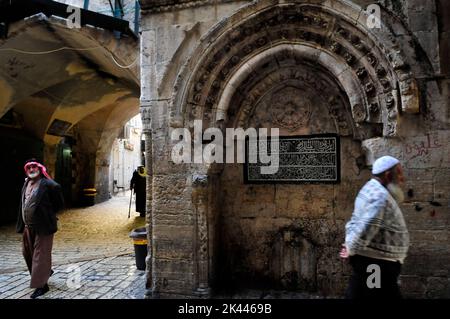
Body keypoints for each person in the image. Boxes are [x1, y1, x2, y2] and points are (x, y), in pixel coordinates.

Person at [340, 155, 410, 299]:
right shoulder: (380, 198)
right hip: (376, 264)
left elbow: (355, 221)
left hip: (376, 262)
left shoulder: (370, 188)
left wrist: (350, 245)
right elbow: (366, 228)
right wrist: (351, 248)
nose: (402, 178)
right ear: (388, 175)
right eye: (399, 173)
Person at [16, 159, 64, 299]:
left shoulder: (49, 185)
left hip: (44, 226)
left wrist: (47, 215)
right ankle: (45, 272)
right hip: (28, 226)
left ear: (40, 168)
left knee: (40, 255)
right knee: (27, 252)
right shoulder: (26, 183)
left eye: (34, 167)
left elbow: (58, 204)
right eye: (29, 167)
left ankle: (42, 285)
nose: (31, 169)